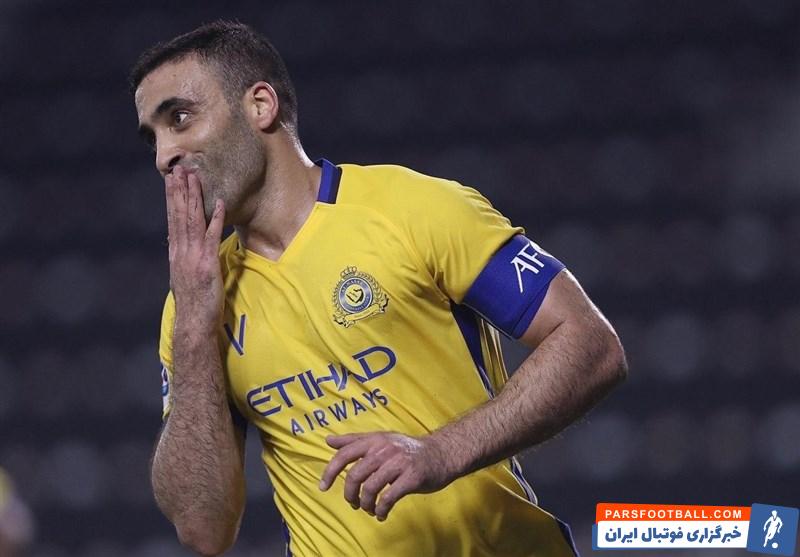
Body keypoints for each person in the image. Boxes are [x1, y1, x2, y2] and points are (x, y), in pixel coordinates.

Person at [130, 20, 627, 557]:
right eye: (152, 138)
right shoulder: (194, 303)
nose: (163, 156)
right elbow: (203, 529)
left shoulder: (413, 210)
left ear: (260, 105)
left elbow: (591, 344)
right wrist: (194, 327)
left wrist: (439, 452)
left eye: (179, 118)